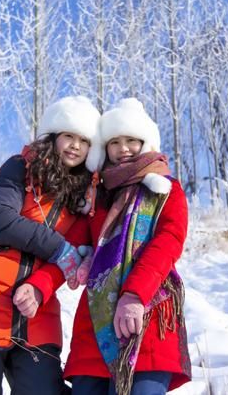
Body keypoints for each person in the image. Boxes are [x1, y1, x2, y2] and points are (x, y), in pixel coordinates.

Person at [19, 98, 191, 394]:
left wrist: (134, 295)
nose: (123, 148)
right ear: (105, 148)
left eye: (131, 140)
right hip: (95, 326)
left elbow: (167, 243)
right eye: (115, 142)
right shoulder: (97, 199)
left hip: (147, 320)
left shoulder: (166, 191)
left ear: (145, 142)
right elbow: (72, 248)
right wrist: (39, 285)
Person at [0, 96, 100, 395]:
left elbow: (70, 257)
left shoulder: (84, 199)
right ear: (53, 137)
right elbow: (1, 219)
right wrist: (58, 247)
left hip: (35, 313)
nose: (75, 145)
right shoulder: (20, 167)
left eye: (83, 140)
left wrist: (39, 287)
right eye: (68, 136)